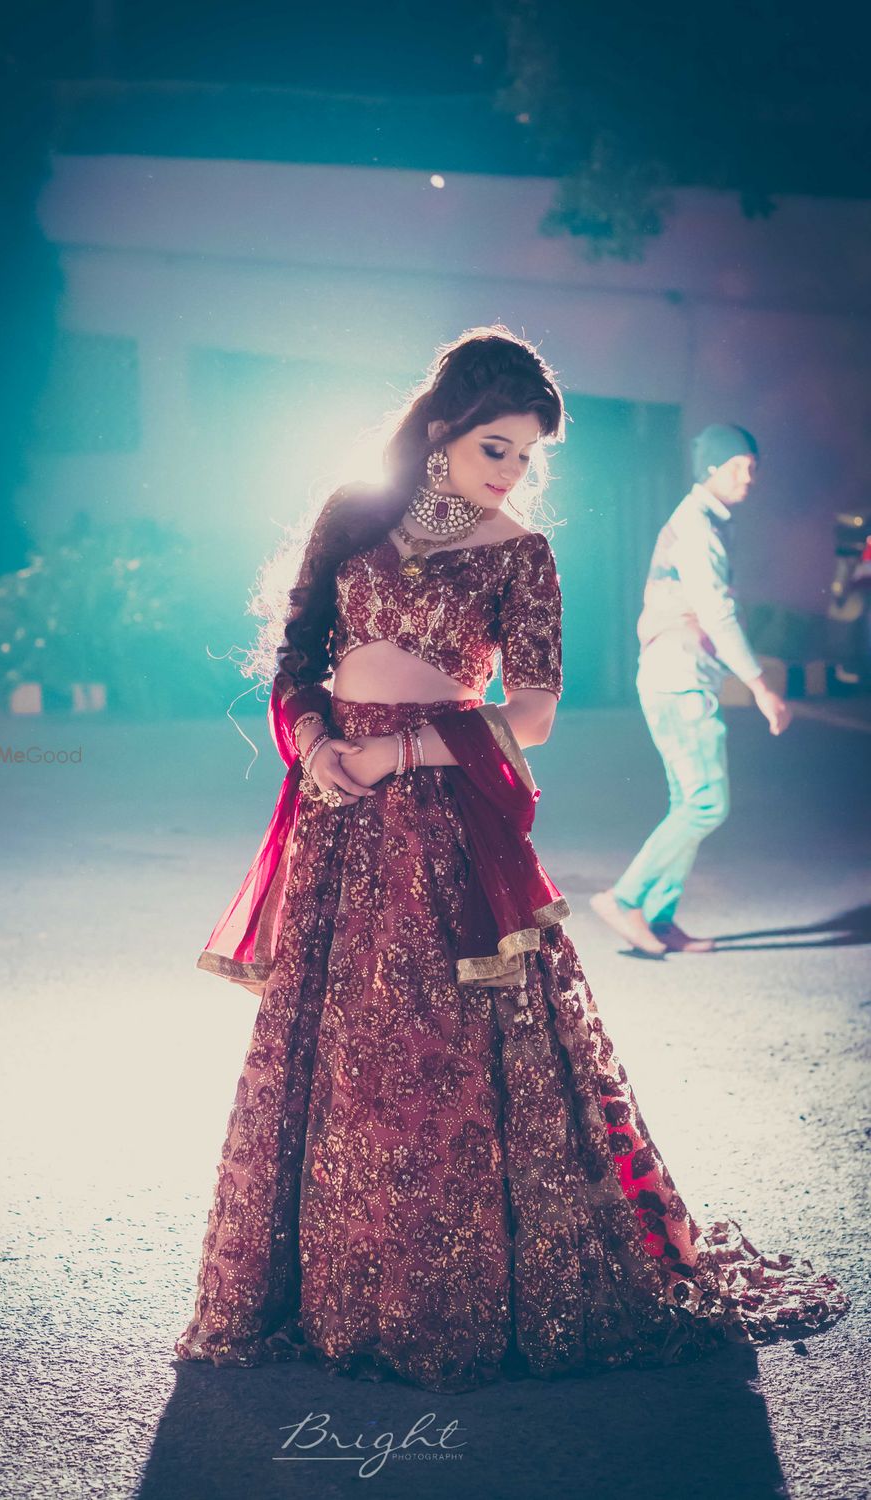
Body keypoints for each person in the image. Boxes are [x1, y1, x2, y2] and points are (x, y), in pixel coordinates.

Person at [174, 338, 847, 1394]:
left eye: (527, 457)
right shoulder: (352, 512)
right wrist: (316, 748)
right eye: (498, 447)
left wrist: (391, 752)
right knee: (333, 1049)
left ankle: (447, 1296)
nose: (511, 472)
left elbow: (529, 715)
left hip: (443, 825)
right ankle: (323, 1293)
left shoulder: (519, 552)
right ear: (439, 427)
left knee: (442, 1057)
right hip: (337, 812)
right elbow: (297, 656)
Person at [591, 425, 793, 957]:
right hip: (678, 678)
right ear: (712, 468)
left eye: (752, 465)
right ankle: (624, 898)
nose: (750, 476)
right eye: (739, 466)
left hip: (675, 675)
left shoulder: (697, 522)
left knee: (690, 800)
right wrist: (759, 685)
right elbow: (717, 613)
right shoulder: (697, 526)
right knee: (706, 804)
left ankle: (657, 920)